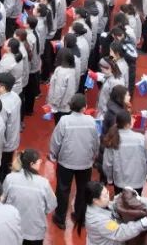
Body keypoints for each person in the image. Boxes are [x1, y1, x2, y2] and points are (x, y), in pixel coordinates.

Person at [49, 93, 98, 230]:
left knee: (63, 189)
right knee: (83, 189)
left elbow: (56, 141)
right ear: (85, 107)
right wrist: (93, 155)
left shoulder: (64, 121)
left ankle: (60, 218)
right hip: (85, 162)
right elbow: (96, 141)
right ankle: (80, 216)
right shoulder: (91, 121)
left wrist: (54, 155)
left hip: (66, 162)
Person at [81, 181, 147, 243]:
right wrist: (143, 223)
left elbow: (111, 205)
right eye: (105, 196)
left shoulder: (96, 205)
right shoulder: (99, 221)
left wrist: (122, 195)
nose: (108, 196)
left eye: (107, 192)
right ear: (95, 200)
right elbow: (120, 233)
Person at [101, 110, 147, 195]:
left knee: (119, 201)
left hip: (120, 182)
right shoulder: (141, 138)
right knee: (136, 201)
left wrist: (110, 179)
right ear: (128, 124)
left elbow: (107, 164)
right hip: (138, 181)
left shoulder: (112, 139)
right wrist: (144, 172)